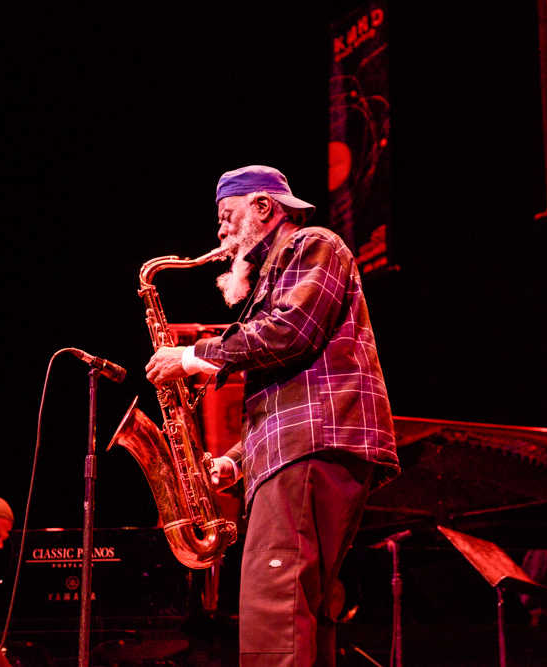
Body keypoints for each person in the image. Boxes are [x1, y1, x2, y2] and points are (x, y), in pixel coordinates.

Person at [145, 165, 399, 666]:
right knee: (299, 612)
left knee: (274, 605)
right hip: (304, 447)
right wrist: (236, 462)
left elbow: (290, 332)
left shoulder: (312, 243)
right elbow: (288, 389)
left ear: (264, 206)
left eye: (227, 214)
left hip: (311, 447)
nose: (220, 230)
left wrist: (194, 356)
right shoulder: (279, 268)